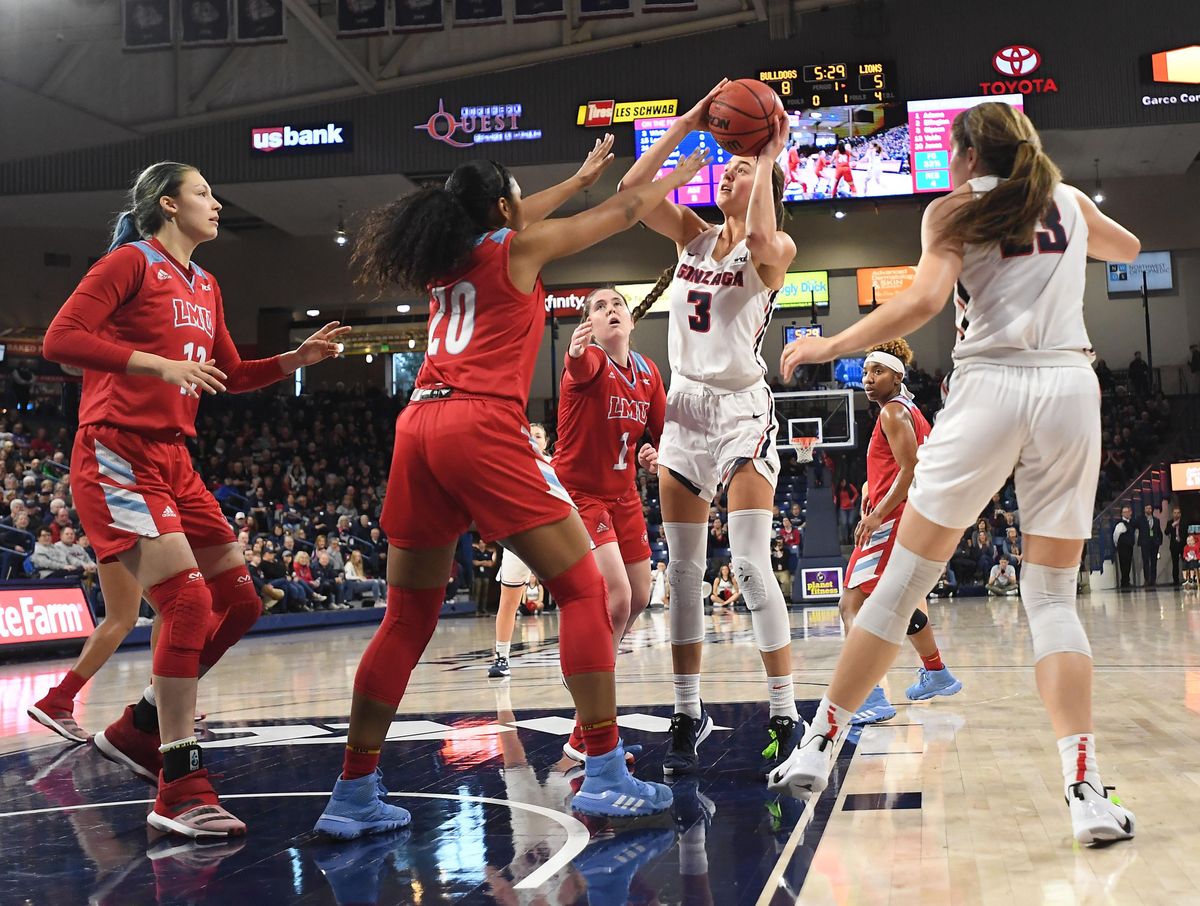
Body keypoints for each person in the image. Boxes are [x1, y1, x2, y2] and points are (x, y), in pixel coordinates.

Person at [313, 134, 709, 838]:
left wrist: (578, 176)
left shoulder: (447, 259)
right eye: (519, 196)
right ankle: (607, 775)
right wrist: (689, 166)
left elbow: (520, 213)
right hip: (479, 427)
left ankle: (352, 792)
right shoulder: (513, 251)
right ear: (503, 208)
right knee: (588, 590)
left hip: (418, 429)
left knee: (405, 618)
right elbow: (623, 214)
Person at [773, 101, 1140, 845]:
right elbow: (1129, 247)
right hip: (1070, 389)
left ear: (969, 157)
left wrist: (828, 345)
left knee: (903, 582)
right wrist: (1058, 215)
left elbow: (925, 300)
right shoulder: (1062, 199)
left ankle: (820, 744)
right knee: (1051, 598)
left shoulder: (950, 210)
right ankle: (1084, 793)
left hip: (992, 388)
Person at [40, 161, 347, 838]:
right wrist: (158, 365)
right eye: (205, 193)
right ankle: (178, 784)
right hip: (117, 450)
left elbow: (229, 374)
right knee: (187, 602)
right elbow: (61, 339)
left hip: (176, 459)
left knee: (239, 601)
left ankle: (138, 728)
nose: (216, 203)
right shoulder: (128, 263)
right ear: (169, 204)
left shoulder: (207, 284)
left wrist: (295, 361)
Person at [619, 80, 805, 775]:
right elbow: (634, 192)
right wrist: (685, 122)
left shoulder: (773, 248)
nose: (727, 173)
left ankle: (785, 714)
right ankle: (687, 710)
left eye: (740, 170)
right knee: (686, 573)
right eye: (726, 168)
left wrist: (768, 155)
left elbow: (760, 232)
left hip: (742, 412)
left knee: (751, 564)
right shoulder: (692, 237)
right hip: (685, 413)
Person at [552, 286, 667, 760]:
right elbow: (580, 368)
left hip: (623, 494)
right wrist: (574, 354)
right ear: (590, 326)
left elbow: (662, 433)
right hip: (580, 494)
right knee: (615, 597)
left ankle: (590, 683)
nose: (610, 310)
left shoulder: (648, 372)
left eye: (617, 303)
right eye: (599, 307)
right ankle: (591, 714)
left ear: (631, 319)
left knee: (640, 595)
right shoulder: (591, 361)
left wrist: (653, 454)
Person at [840, 340, 961, 723]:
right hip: (910, 517)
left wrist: (876, 514)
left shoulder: (892, 413)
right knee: (906, 605)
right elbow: (898, 467)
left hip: (893, 521)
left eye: (877, 372)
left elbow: (909, 472)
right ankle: (937, 672)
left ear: (898, 375)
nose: (868, 379)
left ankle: (868, 697)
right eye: (865, 372)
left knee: (852, 604)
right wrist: (868, 487)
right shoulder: (907, 410)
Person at [489, 423, 551, 679]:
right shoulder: (510, 464)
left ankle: (576, 658)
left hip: (551, 538)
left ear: (546, 442)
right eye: (530, 435)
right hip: (519, 539)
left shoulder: (554, 464)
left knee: (572, 600)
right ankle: (501, 656)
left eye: (538, 435)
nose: (534, 438)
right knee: (509, 602)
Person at [1136, 503, 1162, 588]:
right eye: (1147, 508)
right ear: (1144, 510)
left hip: (1154, 544)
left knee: (1154, 562)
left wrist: (1159, 542)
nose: (1149, 510)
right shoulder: (1140, 519)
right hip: (1145, 544)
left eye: (1150, 508)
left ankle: (1153, 580)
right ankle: (1147, 579)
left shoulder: (1156, 520)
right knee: (1146, 562)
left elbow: (1159, 532)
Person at [1113, 505, 1135, 589]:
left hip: (1129, 546)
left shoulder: (1131, 523)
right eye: (1124, 512)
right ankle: (1124, 582)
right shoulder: (1120, 524)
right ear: (1122, 513)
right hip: (1123, 547)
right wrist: (1117, 545)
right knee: (1123, 564)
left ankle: (1127, 580)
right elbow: (1116, 536)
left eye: (1127, 512)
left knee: (1128, 564)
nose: (1126, 513)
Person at [1165, 505, 1186, 587]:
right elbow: (1166, 532)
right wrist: (1173, 525)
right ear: (1172, 514)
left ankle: (1188, 579)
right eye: (1175, 513)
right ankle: (1176, 581)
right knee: (1175, 563)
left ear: (1180, 514)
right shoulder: (1170, 522)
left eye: (1178, 513)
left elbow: (1185, 532)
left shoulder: (1184, 521)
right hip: (1174, 545)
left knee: (1186, 562)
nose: (1176, 514)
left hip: (1183, 545)